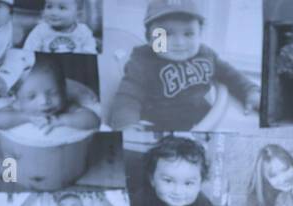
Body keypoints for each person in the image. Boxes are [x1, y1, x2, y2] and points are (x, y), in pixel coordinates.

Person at [107, 0, 259, 130]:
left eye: (188, 34)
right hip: (160, 128)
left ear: (200, 33)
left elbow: (230, 74)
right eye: (166, 34)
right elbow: (128, 97)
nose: (179, 43)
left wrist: (249, 90)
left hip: (204, 121)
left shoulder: (205, 54)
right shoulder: (143, 62)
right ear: (149, 37)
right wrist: (126, 125)